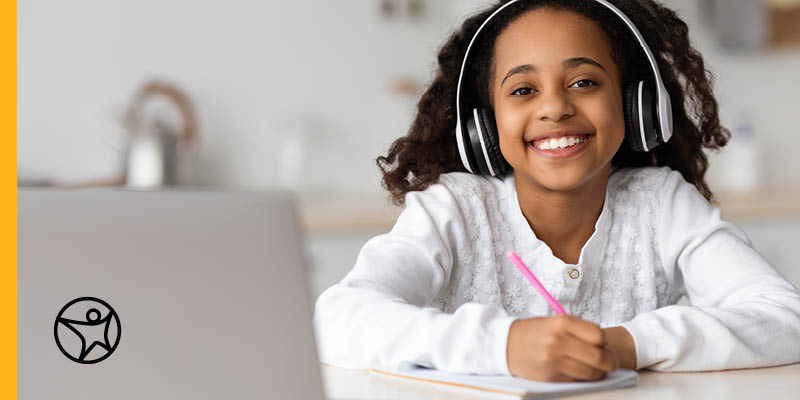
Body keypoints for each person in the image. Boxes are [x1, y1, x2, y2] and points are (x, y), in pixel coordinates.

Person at [313, 0, 800, 382]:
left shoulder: (661, 204)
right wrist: (503, 345)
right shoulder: (454, 209)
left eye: (584, 82)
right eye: (523, 90)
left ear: (635, 105)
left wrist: (623, 345)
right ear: (485, 125)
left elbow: (784, 319)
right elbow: (339, 319)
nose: (555, 108)